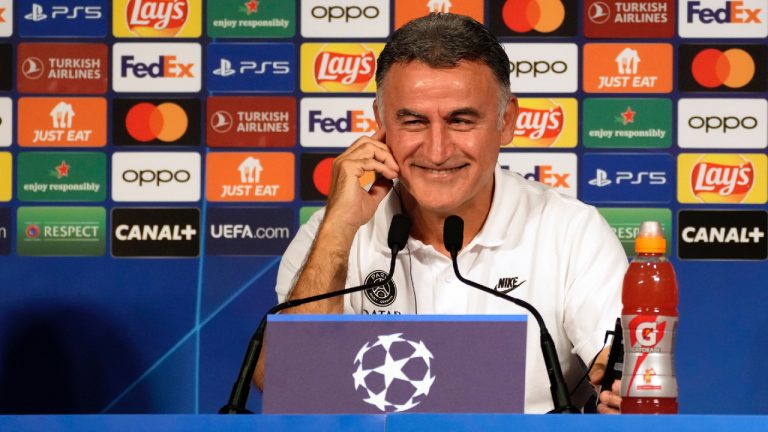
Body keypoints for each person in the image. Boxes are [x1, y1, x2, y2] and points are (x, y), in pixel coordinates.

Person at [255, 13, 627, 414]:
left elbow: (618, 371)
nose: (436, 151)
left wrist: (620, 384)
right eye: (413, 121)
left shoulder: (572, 231)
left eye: (461, 120)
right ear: (380, 123)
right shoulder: (332, 232)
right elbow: (286, 382)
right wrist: (340, 226)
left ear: (506, 122)